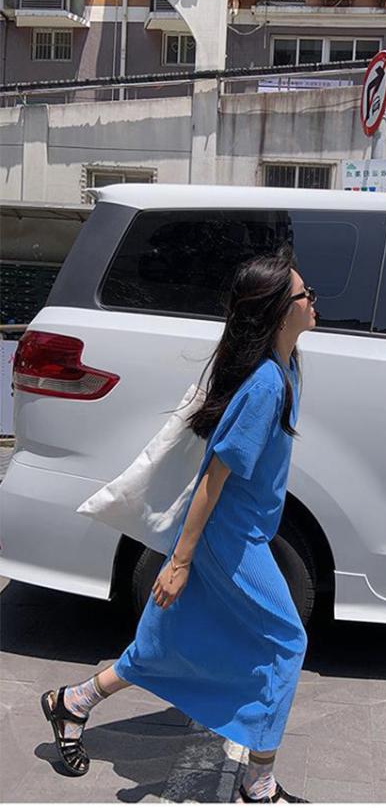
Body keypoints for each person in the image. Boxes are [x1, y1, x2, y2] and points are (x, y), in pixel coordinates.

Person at [40, 249, 318, 803]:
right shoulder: (265, 385)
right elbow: (213, 478)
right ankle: (258, 782)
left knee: (167, 641)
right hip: (229, 539)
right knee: (287, 641)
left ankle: (72, 703)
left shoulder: (286, 367)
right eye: (304, 294)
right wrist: (181, 561)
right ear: (277, 311)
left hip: (242, 533)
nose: (313, 301)